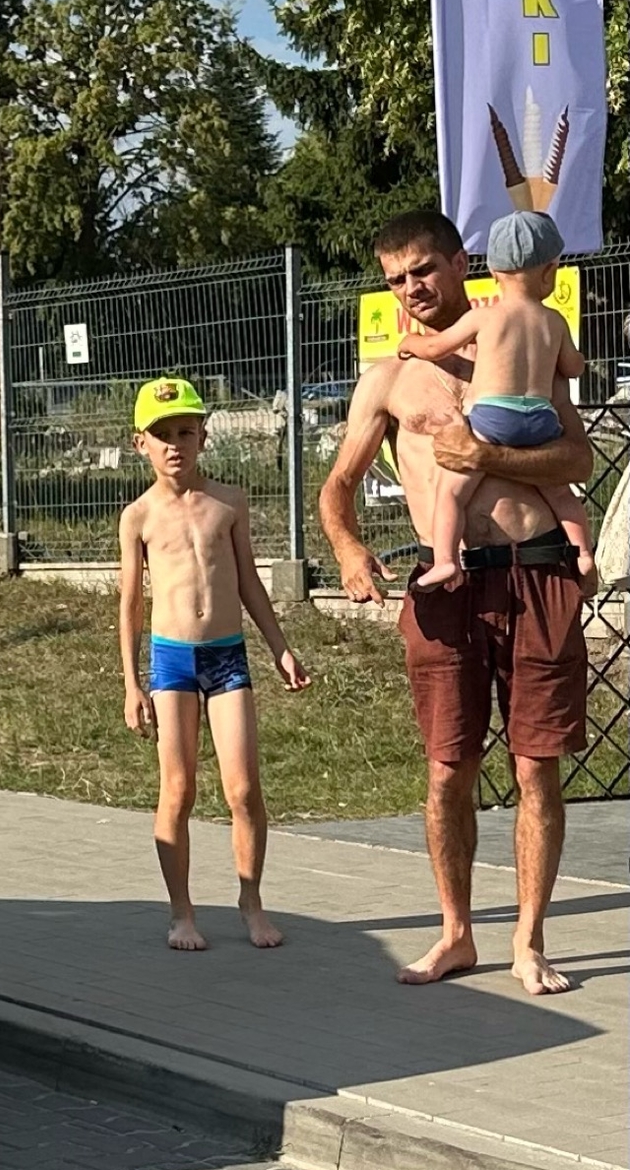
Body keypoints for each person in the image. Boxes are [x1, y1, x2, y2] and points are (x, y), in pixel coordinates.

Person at [321, 207, 592, 994]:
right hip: (449, 586)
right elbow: (336, 489)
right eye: (395, 280)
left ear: (459, 261)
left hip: (536, 570)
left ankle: (529, 940)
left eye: (422, 271)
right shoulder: (390, 379)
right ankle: (456, 933)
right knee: (449, 770)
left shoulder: (518, 338)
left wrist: (492, 452)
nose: (410, 290)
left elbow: (577, 452)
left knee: (538, 766)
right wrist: (347, 550)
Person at [118, 378, 312, 953]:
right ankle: (181, 913)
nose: (175, 444)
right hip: (171, 660)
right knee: (177, 789)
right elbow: (130, 602)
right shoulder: (138, 517)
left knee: (244, 788)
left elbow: (249, 580)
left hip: (227, 657)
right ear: (141, 445)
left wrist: (279, 645)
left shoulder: (229, 502)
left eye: (185, 431)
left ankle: (251, 900)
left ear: (204, 435)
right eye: (162, 435)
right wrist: (132, 683)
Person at [397, 210, 594, 589]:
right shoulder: (554, 321)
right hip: (540, 418)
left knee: (451, 493)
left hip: (492, 418)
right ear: (550, 270)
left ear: (492, 273)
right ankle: (583, 552)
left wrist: (410, 343)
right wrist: (578, 358)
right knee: (559, 492)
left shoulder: (486, 318)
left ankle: (445, 561)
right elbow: (572, 368)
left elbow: (437, 346)